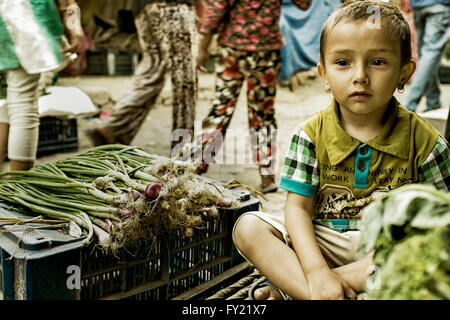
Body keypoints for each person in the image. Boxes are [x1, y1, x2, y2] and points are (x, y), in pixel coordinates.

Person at [233, 0, 450, 300]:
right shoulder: (310, 135)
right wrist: (316, 270)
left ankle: (305, 291)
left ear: (405, 72)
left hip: (384, 251)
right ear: (323, 73)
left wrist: (323, 277)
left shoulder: (426, 142)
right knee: (248, 227)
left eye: (377, 62)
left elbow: (441, 217)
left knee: (435, 242)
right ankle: (323, 289)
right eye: (343, 62)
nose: (359, 75)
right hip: (323, 244)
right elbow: (297, 210)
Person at [195, 0, 313, 193]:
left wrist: (203, 47)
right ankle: (267, 176)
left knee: (220, 109)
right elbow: (303, 4)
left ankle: (198, 164)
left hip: (233, 49)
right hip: (266, 51)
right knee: (263, 114)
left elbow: (217, 9)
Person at [87, 0, 200, 154]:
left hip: (144, 9)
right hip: (173, 9)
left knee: (153, 71)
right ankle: (183, 152)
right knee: (185, 79)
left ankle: (114, 128)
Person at [0, 0, 83, 171]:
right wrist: (75, 29)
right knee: (23, 104)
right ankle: (17, 187)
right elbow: (67, 4)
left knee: (1, 107)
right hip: (20, 24)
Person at [401, 0, 450, 112]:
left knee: (426, 57)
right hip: (439, 5)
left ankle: (433, 101)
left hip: (418, 5)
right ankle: (408, 105)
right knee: (430, 54)